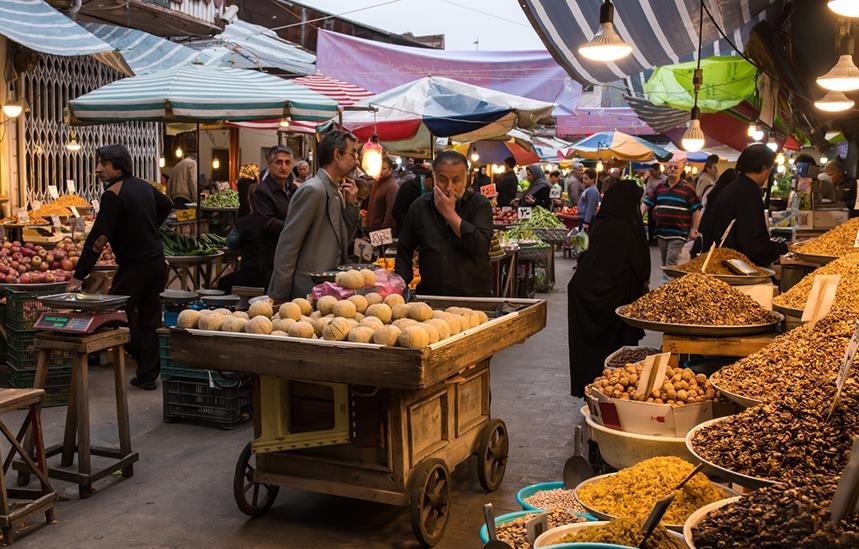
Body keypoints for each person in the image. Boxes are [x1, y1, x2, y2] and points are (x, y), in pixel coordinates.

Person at [67, 145, 173, 390]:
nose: (98, 169)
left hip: (135, 267)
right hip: (156, 263)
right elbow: (167, 204)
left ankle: (141, 364)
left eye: (103, 164)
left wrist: (79, 274)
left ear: (118, 165)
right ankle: (147, 376)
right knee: (149, 318)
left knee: (112, 314)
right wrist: (149, 227)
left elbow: (98, 237)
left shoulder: (113, 194)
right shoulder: (144, 186)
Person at [567, 180, 650, 397]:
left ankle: (590, 385)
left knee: (590, 348)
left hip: (586, 293)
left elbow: (584, 252)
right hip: (615, 299)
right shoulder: (628, 227)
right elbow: (641, 266)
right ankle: (614, 388)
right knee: (616, 349)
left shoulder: (600, 221)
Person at [268, 130, 360, 301]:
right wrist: (279, 296)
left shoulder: (337, 192)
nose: (357, 160)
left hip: (328, 290)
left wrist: (352, 205)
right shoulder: (313, 190)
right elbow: (288, 246)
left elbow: (343, 240)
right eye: (353, 153)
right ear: (337, 154)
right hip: (305, 292)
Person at [395, 150, 492, 296]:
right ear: (433, 176)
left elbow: (480, 245)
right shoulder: (420, 206)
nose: (449, 187)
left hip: (474, 296)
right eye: (442, 179)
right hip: (431, 296)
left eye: (456, 180)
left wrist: (450, 215)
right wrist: (399, 288)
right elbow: (404, 250)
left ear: (467, 178)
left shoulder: (479, 204)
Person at [700, 144, 787, 266]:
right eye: (770, 169)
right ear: (763, 167)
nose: (769, 174)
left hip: (719, 260)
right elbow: (751, 241)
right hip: (734, 267)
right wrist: (783, 248)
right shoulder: (749, 191)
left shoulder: (734, 186)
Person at [641, 159, 702, 271]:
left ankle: (667, 284)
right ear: (666, 169)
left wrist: (694, 229)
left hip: (678, 233)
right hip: (662, 232)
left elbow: (696, 210)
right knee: (665, 262)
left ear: (681, 170)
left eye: (675, 167)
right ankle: (669, 285)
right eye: (670, 167)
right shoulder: (660, 187)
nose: (672, 169)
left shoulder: (687, 189)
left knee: (671, 262)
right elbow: (646, 204)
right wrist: (637, 218)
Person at [253, 145, 294, 287]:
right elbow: (266, 223)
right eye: (279, 162)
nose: (283, 167)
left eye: (287, 162)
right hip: (272, 256)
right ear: (270, 166)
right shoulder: (262, 191)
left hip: (290, 254)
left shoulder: (293, 188)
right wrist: (295, 227)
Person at [218, 183, 264, 293]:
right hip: (271, 276)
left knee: (222, 283)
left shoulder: (244, 223)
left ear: (249, 200)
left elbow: (231, 244)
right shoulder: (276, 222)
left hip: (250, 275)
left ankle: (227, 309)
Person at [691, 169, 737, 257]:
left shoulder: (712, 190)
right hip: (715, 232)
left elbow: (703, 208)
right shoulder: (727, 195)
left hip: (706, 228)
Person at [392, 162, 433, 236]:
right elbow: (397, 211)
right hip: (406, 233)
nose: (435, 187)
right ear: (429, 179)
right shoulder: (408, 187)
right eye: (434, 184)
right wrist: (412, 226)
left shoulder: (435, 190)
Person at [366, 156, 399, 232]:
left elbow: (390, 215)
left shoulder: (392, 186)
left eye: (384, 168)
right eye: (379, 168)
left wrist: (382, 235)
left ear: (390, 170)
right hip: (371, 231)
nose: (380, 171)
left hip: (380, 234)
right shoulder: (375, 183)